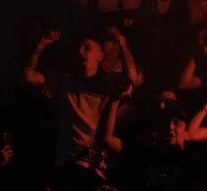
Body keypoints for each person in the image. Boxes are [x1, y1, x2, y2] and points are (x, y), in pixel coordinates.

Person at [20, 30, 127, 168]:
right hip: (67, 163)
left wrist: (122, 44)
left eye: (87, 47)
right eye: (78, 48)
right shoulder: (65, 81)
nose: (80, 51)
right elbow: (28, 76)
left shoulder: (109, 83)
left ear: (99, 56)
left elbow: (132, 77)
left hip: (97, 164)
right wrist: (41, 45)